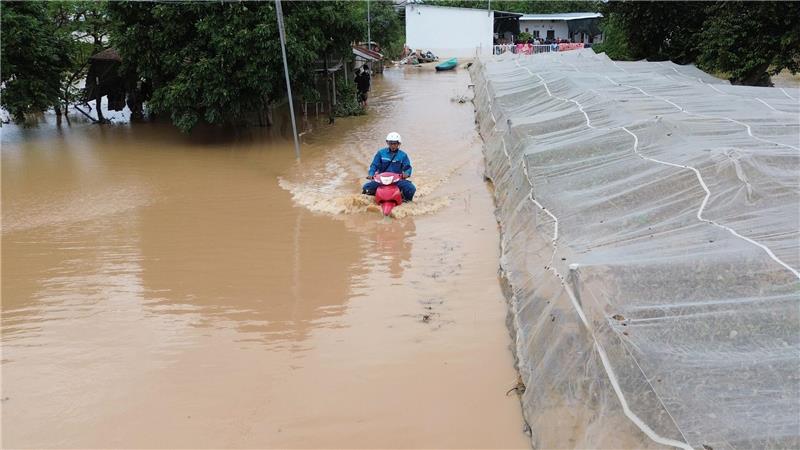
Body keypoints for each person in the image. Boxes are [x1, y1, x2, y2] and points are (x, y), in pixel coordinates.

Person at [362, 132, 416, 202]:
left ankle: (407, 201)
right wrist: (371, 174)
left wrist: (407, 173)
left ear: (398, 144)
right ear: (387, 143)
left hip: (397, 180)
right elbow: (374, 165)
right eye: (391, 143)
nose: (393, 146)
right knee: (366, 187)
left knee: (411, 188)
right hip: (381, 180)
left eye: (395, 143)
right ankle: (375, 197)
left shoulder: (403, 155)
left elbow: (408, 167)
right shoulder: (381, 153)